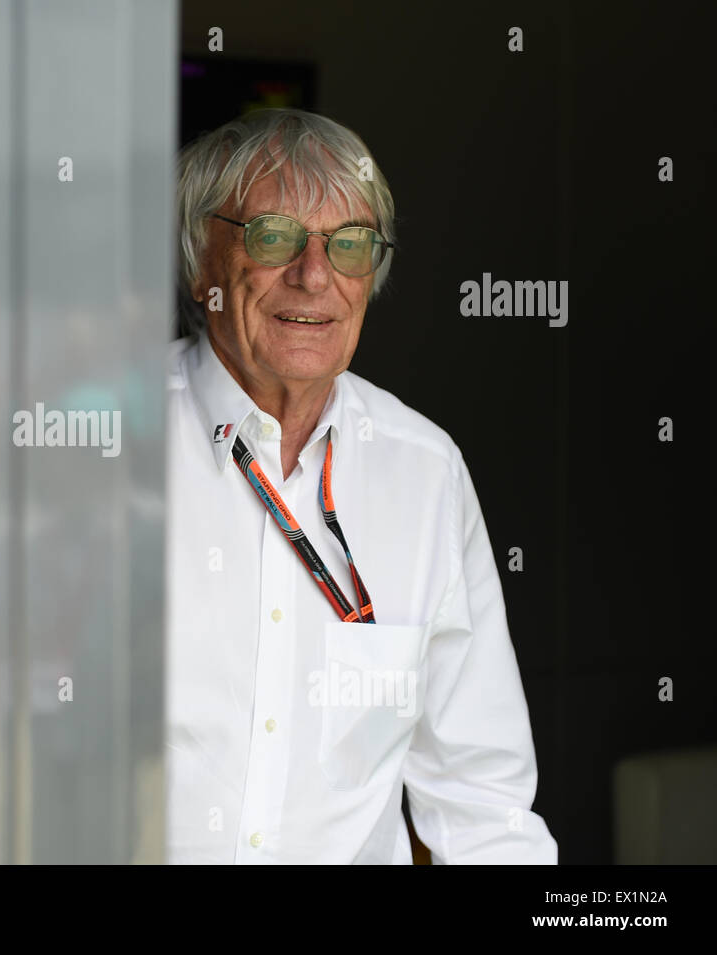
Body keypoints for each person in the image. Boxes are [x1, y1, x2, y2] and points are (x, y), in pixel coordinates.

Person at [166, 108, 557, 864]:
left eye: (349, 246)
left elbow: (482, 803)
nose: (315, 275)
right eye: (274, 235)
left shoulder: (426, 472)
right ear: (201, 261)